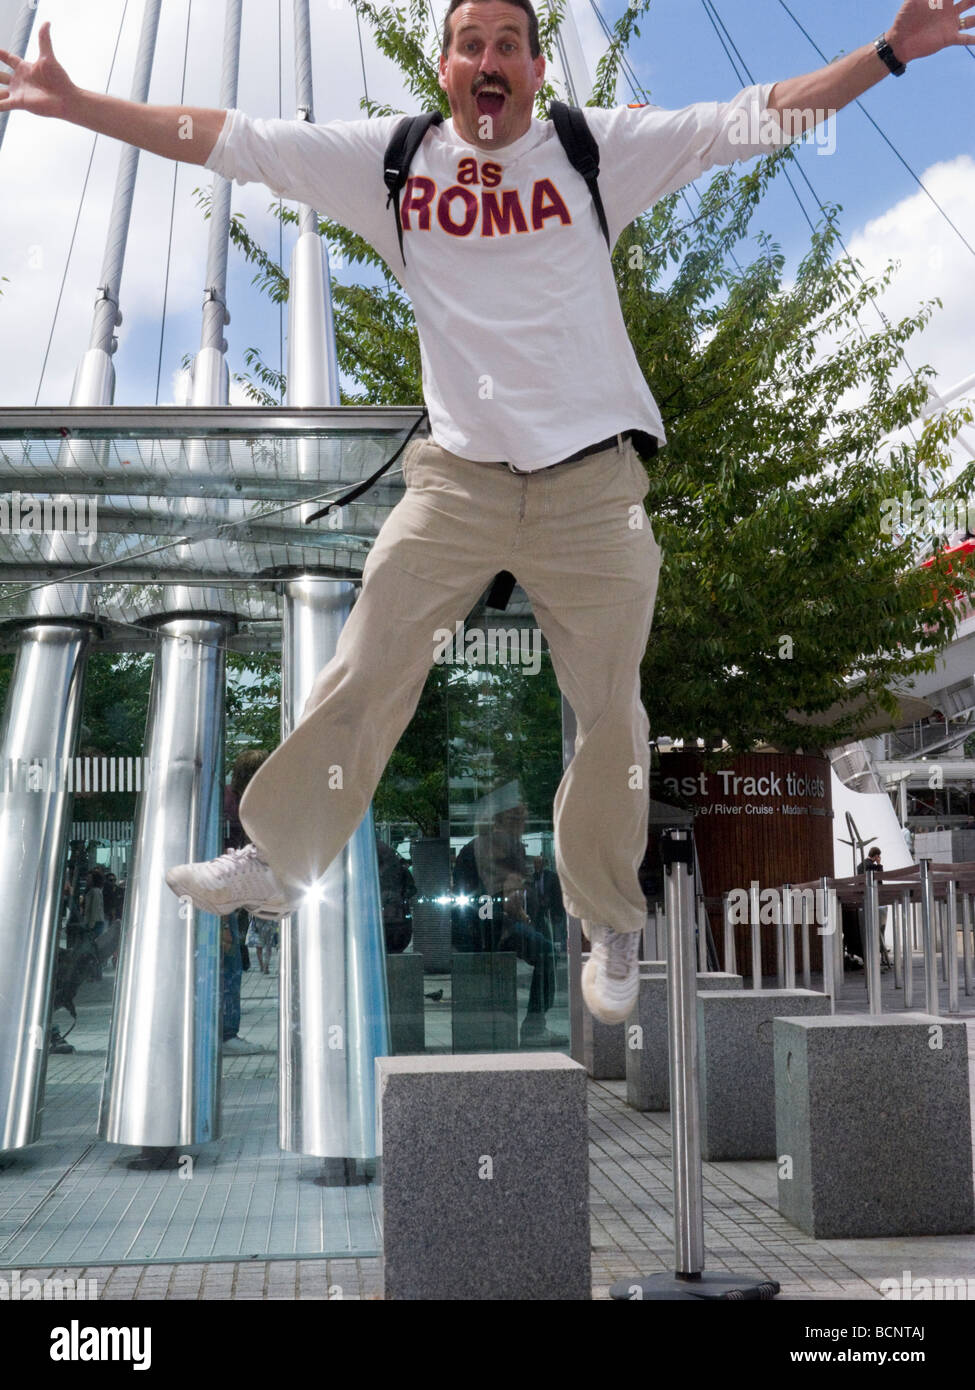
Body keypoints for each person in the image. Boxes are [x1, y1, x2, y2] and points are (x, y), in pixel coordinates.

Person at [5, 2, 972, 1026]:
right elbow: (229, 139)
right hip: (459, 484)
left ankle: (611, 916)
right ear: (447, 67)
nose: (490, 60)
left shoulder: (596, 150)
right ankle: (279, 863)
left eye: (509, 44)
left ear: (535, 65)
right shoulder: (393, 165)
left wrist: (885, 56)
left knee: (613, 708)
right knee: (370, 660)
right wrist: (78, 107)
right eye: (472, 44)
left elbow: (757, 116)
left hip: (592, 489)